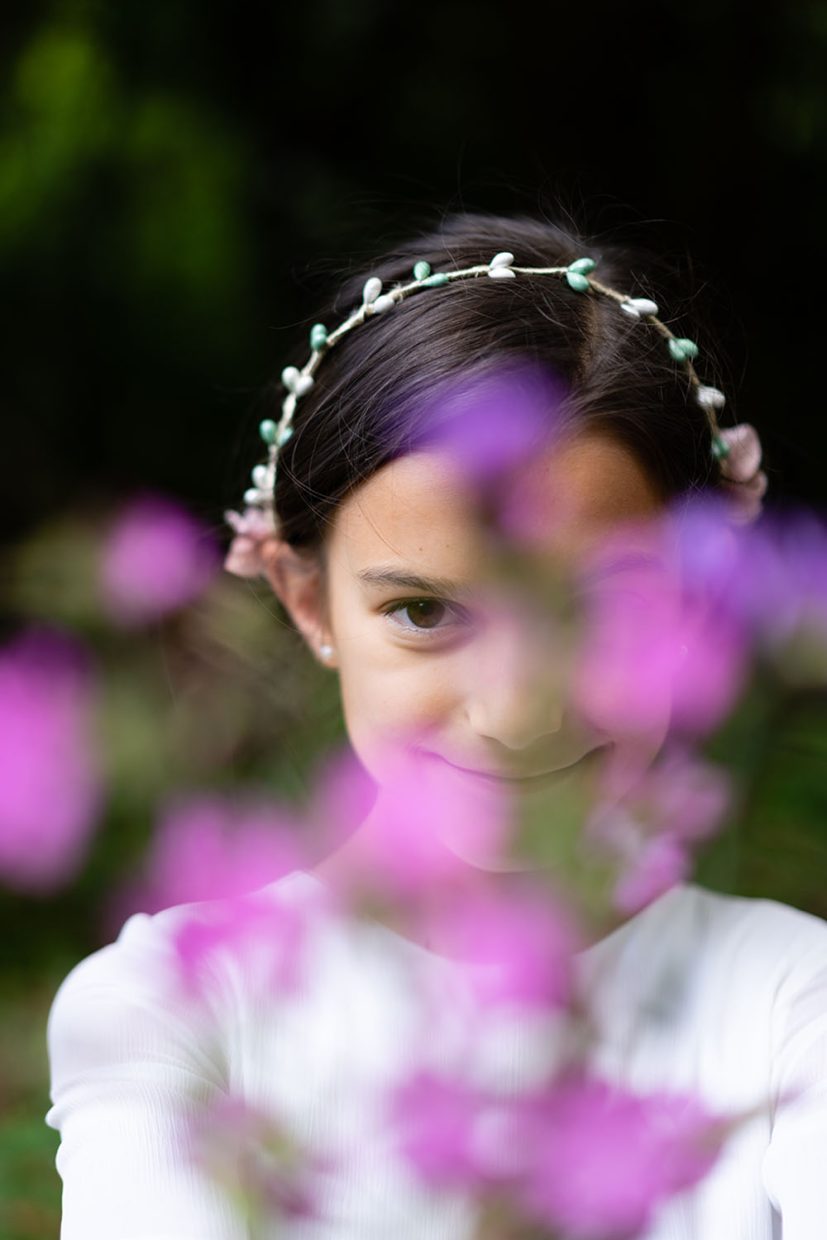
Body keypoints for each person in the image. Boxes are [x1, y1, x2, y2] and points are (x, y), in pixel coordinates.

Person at [45, 210, 827, 1239]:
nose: (514, 712)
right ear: (306, 598)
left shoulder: (787, 1010)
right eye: (423, 613)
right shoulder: (176, 1008)